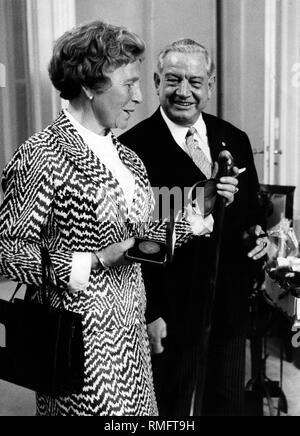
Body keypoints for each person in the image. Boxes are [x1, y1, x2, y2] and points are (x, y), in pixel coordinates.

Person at [0, 25, 238, 417]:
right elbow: (8, 253)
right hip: (78, 344)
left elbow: (143, 244)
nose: (140, 97)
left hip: (133, 341)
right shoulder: (42, 154)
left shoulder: (128, 159)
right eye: (129, 84)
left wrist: (197, 211)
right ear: (91, 84)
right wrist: (93, 261)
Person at [119, 39, 268, 416]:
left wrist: (259, 238)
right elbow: (134, 243)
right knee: (171, 409)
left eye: (195, 82)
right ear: (155, 81)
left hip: (228, 308)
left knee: (228, 404)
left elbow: (250, 216)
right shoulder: (131, 150)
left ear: (210, 85)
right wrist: (150, 313)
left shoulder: (235, 139)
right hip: (169, 312)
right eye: (173, 80)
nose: (184, 92)